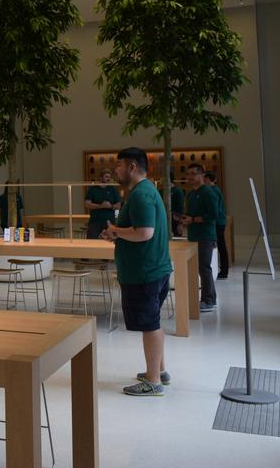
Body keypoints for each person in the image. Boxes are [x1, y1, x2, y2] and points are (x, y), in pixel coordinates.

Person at [103, 147, 173, 396]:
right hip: (153, 268)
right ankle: (159, 370)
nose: (116, 169)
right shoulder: (144, 191)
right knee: (152, 320)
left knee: (150, 323)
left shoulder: (141, 194)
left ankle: (153, 381)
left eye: (119, 165)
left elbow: (145, 233)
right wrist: (119, 234)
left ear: (132, 166)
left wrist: (116, 231)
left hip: (144, 272)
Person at [181, 163, 218, 311]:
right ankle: (211, 298)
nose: (189, 177)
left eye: (193, 174)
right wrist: (184, 221)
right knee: (198, 267)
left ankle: (207, 300)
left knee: (204, 267)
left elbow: (213, 214)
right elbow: (190, 214)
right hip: (193, 235)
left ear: (202, 175)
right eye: (188, 174)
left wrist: (194, 220)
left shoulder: (208, 192)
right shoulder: (190, 194)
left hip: (205, 235)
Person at [204, 171, 229, 279]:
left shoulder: (212, 191)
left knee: (221, 247)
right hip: (220, 221)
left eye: (204, 178)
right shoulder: (215, 190)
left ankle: (224, 271)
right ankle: (223, 270)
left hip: (218, 222)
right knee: (221, 246)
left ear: (209, 179)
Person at [84, 168, 121, 238]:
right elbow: (87, 204)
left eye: (109, 177)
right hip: (95, 221)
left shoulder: (112, 189)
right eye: (106, 177)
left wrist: (110, 206)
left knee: (111, 243)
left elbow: (118, 205)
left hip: (110, 222)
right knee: (91, 242)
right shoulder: (93, 189)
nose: (108, 179)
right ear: (100, 177)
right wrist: (100, 206)